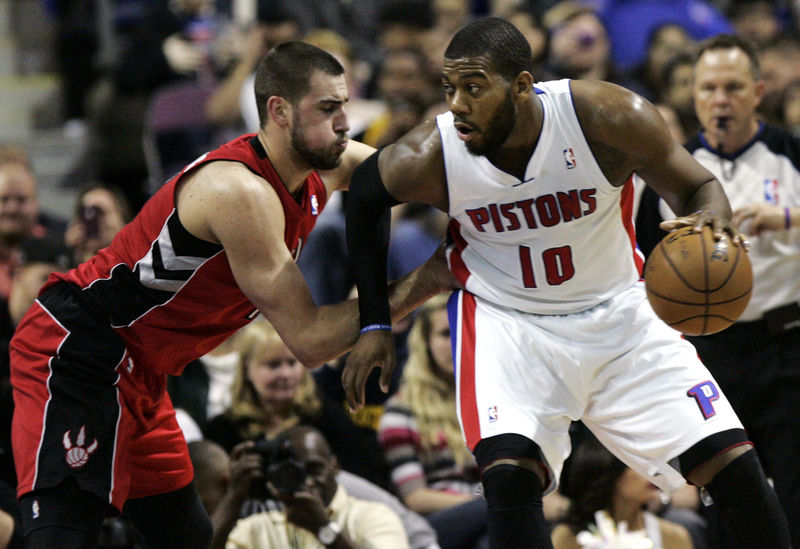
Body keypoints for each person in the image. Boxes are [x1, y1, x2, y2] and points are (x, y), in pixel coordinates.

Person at [342, 16, 791, 549]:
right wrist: (374, 320)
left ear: (523, 87)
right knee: (509, 477)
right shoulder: (433, 153)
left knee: (737, 470)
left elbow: (698, 186)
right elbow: (364, 199)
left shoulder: (608, 118)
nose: (457, 104)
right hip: (510, 323)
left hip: (622, 314)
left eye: (474, 87)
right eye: (450, 88)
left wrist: (712, 222)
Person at [9, 41, 450, 549]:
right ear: (278, 111)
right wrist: (431, 278)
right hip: (78, 348)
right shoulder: (239, 192)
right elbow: (309, 341)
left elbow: (406, 172)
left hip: (144, 367)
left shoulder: (322, 161)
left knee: (188, 538)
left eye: (345, 103)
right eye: (328, 108)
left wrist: (487, 185)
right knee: (60, 538)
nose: (345, 121)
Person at [635, 33, 800, 546]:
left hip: (787, 344)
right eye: (709, 88)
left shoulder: (789, 152)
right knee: (727, 490)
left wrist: (788, 217)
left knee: (795, 495)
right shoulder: (673, 172)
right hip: (710, 350)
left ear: (757, 91)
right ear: (696, 97)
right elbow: (640, 267)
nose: (720, 100)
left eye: (732, 87)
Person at [204, 318, 391, 490]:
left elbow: (361, 481)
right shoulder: (222, 429)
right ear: (246, 369)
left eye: (292, 363)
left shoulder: (328, 418)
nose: (286, 374)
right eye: (273, 365)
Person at [379, 294, 488, 549]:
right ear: (425, 343)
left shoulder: (489, 398)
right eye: (445, 334)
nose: (456, 342)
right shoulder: (401, 410)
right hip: (434, 522)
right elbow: (416, 498)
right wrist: (487, 503)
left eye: (463, 330)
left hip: (487, 515)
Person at [223, 425, 411, 549]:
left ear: (335, 466)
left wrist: (324, 529)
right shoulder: (257, 529)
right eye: (294, 473)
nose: (308, 481)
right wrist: (233, 496)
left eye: (314, 469)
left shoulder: (373, 517)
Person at [552, 434, 693, 549]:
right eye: (639, 465)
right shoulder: (567, 537)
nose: (652, 473)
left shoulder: (674, 536)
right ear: (609, 471)